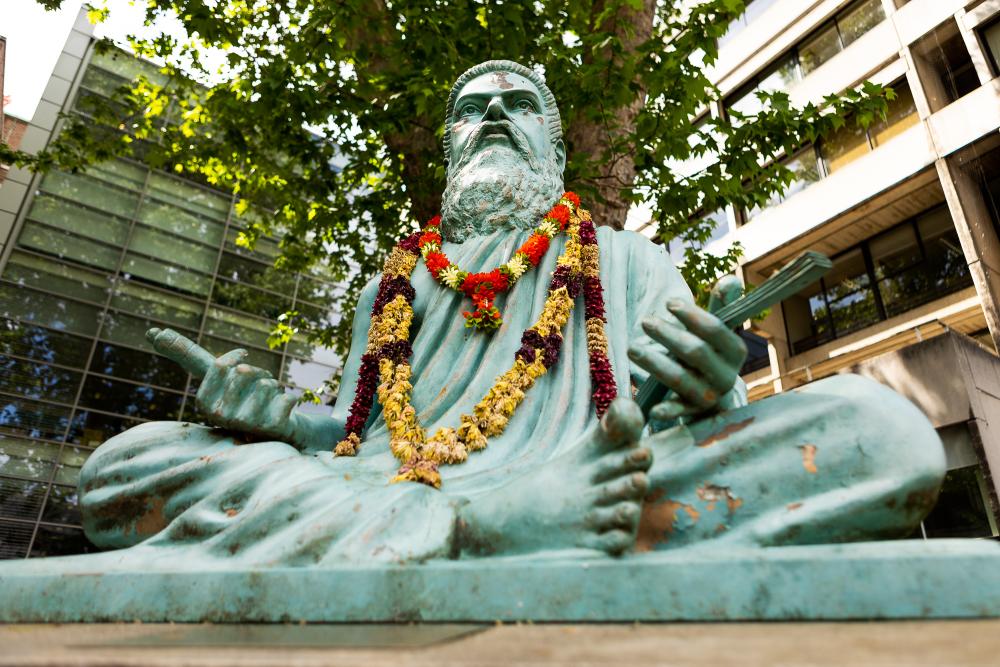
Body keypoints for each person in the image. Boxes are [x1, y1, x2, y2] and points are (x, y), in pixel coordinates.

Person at [78, 61, 945, 564]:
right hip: (392, 487)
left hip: (590, 481)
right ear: (452, 147)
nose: (492, 112)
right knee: (122, 470)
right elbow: (352, 436)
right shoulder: (391, 290)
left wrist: (713, 387)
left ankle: (458, 530)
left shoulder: (627, 258)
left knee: (884, 431)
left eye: (517, 104)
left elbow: (683, 418)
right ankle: (483, 528)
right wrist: (269, 420)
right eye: (470, 110)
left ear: (555, 148)